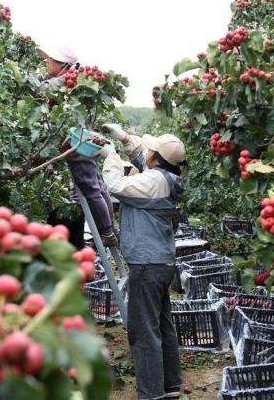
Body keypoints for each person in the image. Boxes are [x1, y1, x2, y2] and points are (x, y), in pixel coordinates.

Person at [97, 123, 185, 400]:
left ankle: (151, 395)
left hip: (147, 265)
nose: (145, 152)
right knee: (162, 326)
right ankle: (170, 388)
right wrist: (123, 138)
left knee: (143, 332)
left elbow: (115, 185)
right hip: (160, 263)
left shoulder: (153, 181)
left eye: (151, 151)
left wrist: (110, 155)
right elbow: (142, 158)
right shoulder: (163, 176)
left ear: (156, 159)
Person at [32, 45, 118, 248]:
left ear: (62, 64)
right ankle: (109, 229)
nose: (46, 64)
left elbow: (41, 90)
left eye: (50, 61)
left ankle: (106, 232)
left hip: (75, 142)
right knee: (96, 184)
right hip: (82, 139)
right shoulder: (74, 77)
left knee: (89, 187)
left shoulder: (64, 80)